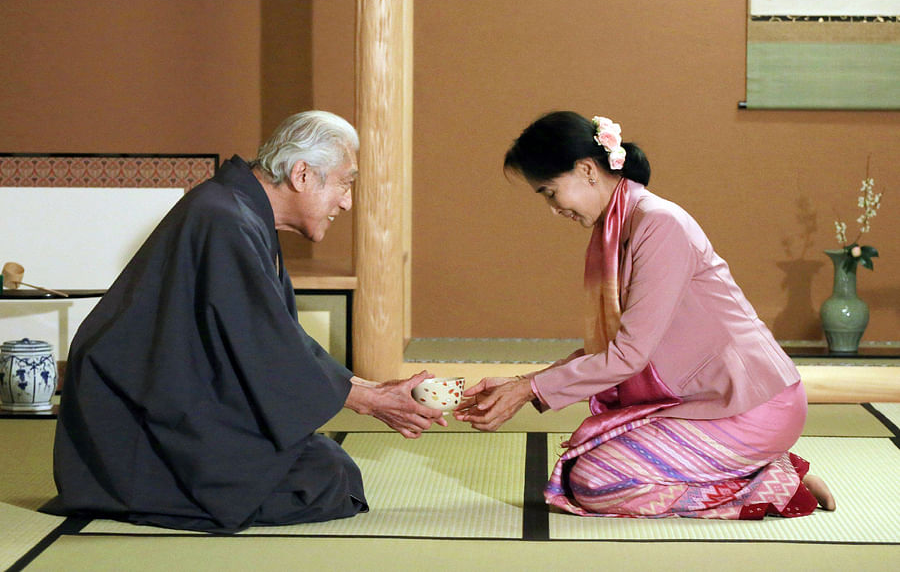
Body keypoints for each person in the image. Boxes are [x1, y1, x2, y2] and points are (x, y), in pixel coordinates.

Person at [42, 111, 446, 533]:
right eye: (345, 184)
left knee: (327, 467)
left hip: (171, 391)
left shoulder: (238, 209)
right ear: (302, 175)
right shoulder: (225, 218)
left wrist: (371, 390)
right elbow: (263, 345)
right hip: (135, 413)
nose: (346, 202)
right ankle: (134, 489)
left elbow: (273, 336)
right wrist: (371, 402)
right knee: (325, 479)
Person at [455, 111, 835, 519]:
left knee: (595, 482)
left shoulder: (658, 223)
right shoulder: (622, 226)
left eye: (549, 192)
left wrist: (528, 389)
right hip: (707, 402)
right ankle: (752, 468)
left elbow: (626, 357)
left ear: (586, 170)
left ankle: (768, 481)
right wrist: (522, 383)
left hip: (749, 405)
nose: (552, 209)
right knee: (587, 463)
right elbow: (620, 348)